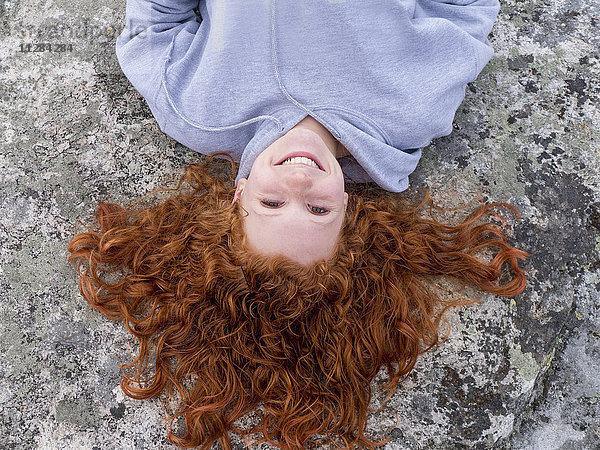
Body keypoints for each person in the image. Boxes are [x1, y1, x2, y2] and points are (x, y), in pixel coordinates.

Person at [68, 1, 527, 448]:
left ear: (238, 194)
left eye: (271, 202)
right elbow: (462, 11)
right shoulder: (412, 112)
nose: (299, 179)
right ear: (349, 210)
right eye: (317, 210)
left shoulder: (196, 112)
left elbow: (154, 26)